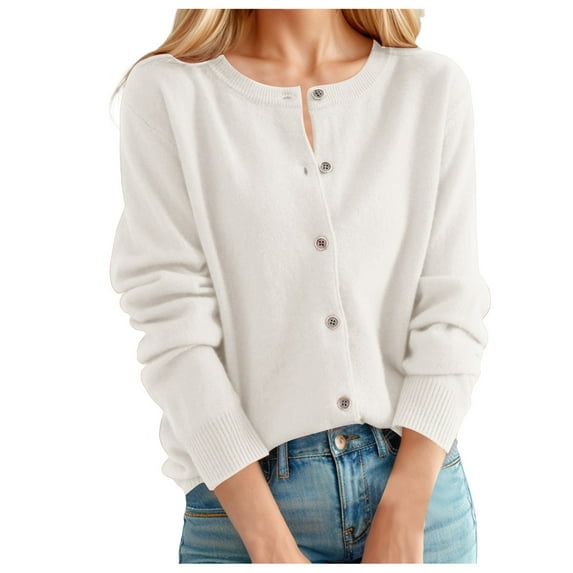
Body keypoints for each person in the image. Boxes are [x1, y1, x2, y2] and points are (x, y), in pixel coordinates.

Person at [108, 8, 491, 564]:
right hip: (239, 510)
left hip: (422, 495)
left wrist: (407, 508)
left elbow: (452, 308)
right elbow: (172, 325)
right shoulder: (169, 92)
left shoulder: (431, 88)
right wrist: (267, 542)